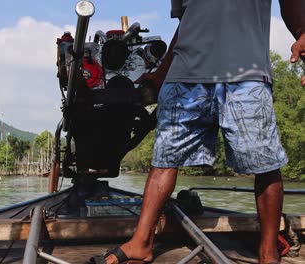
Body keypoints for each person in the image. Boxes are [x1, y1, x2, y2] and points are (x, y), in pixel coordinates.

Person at [104, 1, 305, 263]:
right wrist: (162, 72)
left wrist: (302, 31)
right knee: (164, 159)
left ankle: (268, 252)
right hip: (185, 76)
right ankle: (141, 242)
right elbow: (185, 24)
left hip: (246, 76)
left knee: (264, 162)